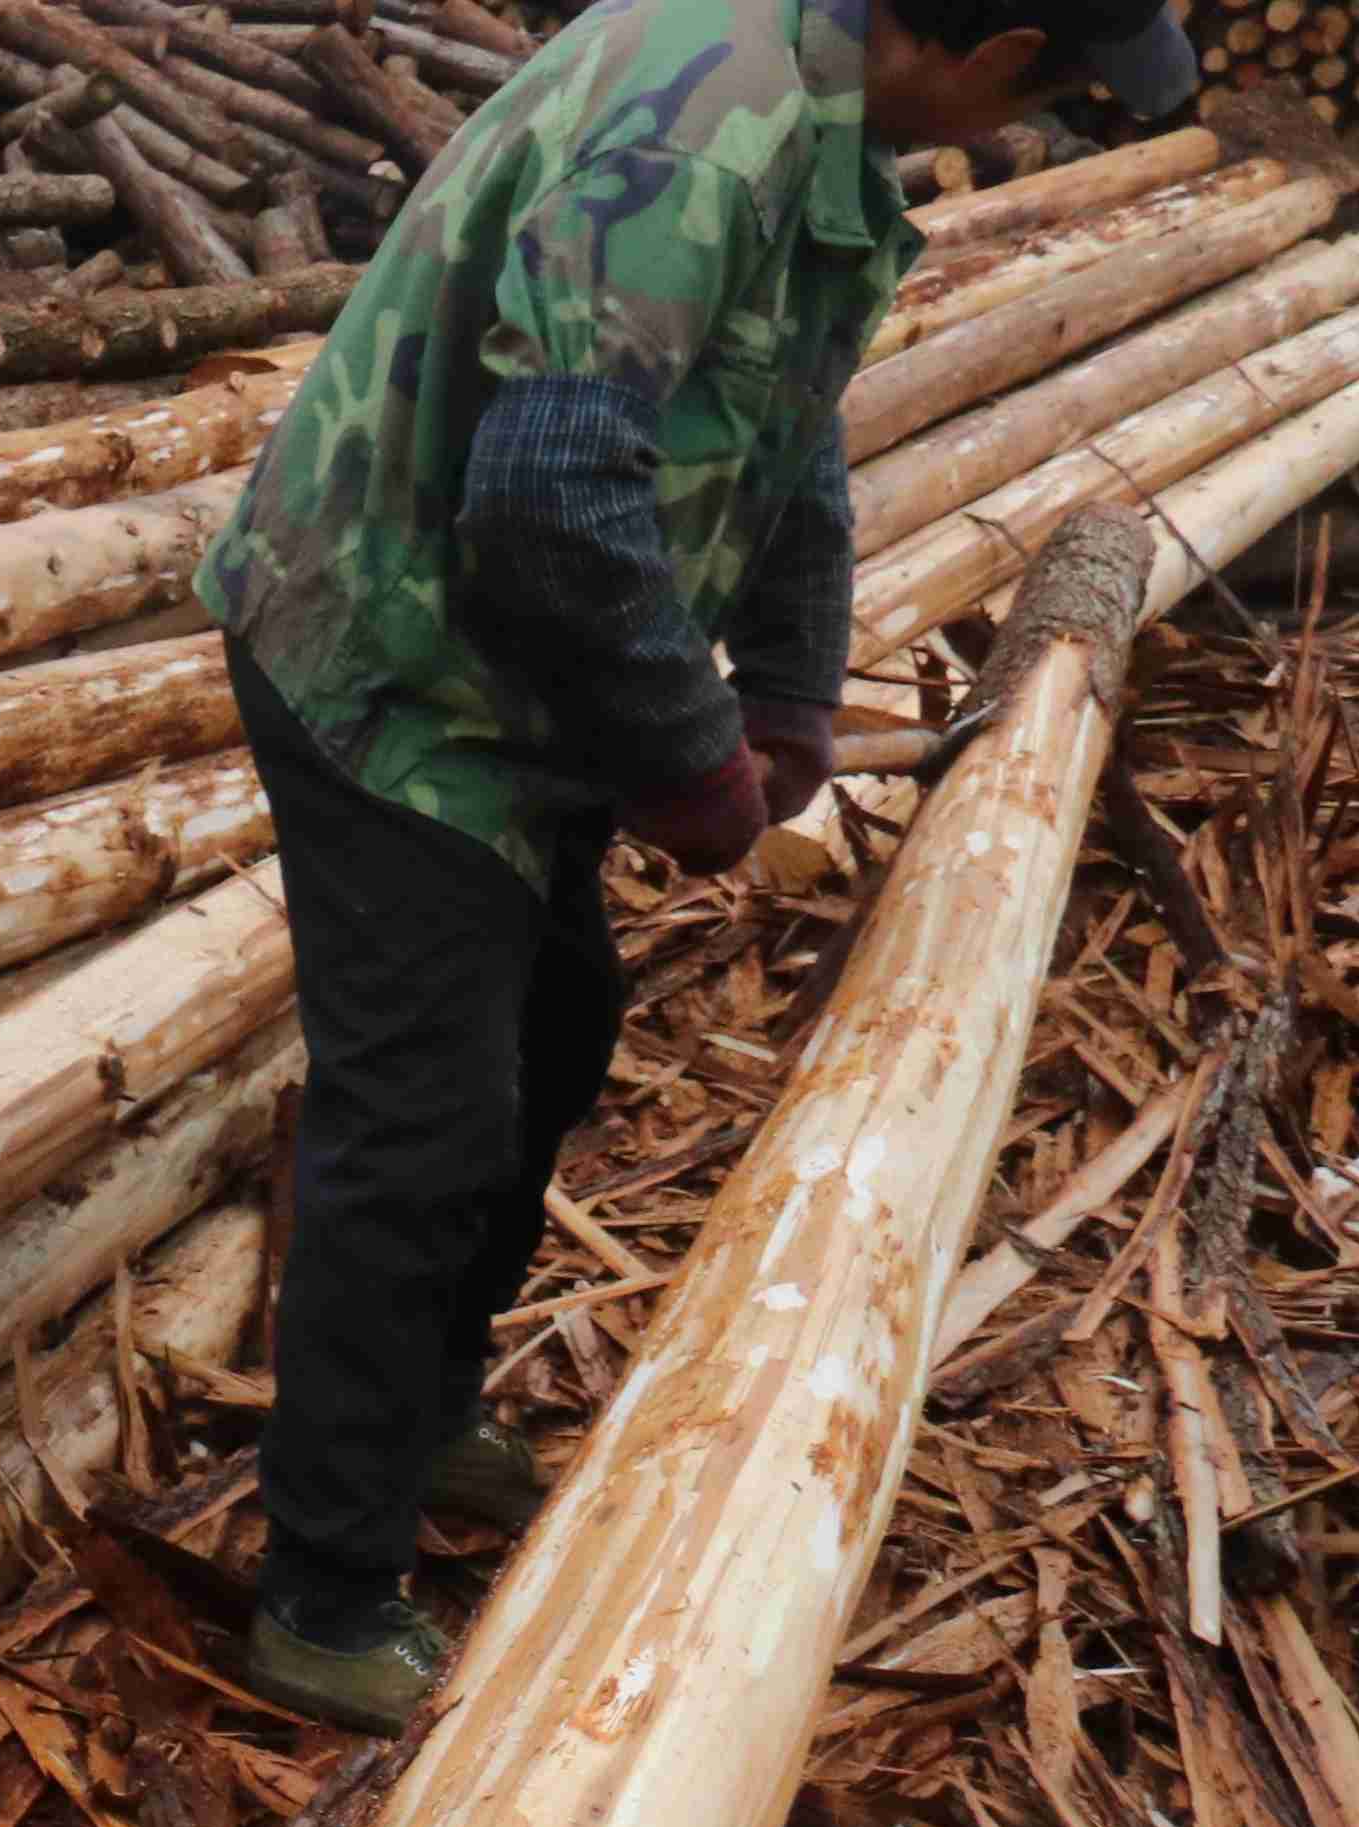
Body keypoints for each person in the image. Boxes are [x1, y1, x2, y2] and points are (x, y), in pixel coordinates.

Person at [198, 0, 1198, 1733]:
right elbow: (552, 498)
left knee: (558, 1042)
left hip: (525, 662)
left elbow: (787, 423)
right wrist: (691, 760)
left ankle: (426, 1415)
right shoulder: (703, 129)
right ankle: (325, 1590)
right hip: (389, 653)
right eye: (1054, 94)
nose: (1033, 136)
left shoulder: (831, 128)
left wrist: (796, 682)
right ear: (994, 41)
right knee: (424, 1122)